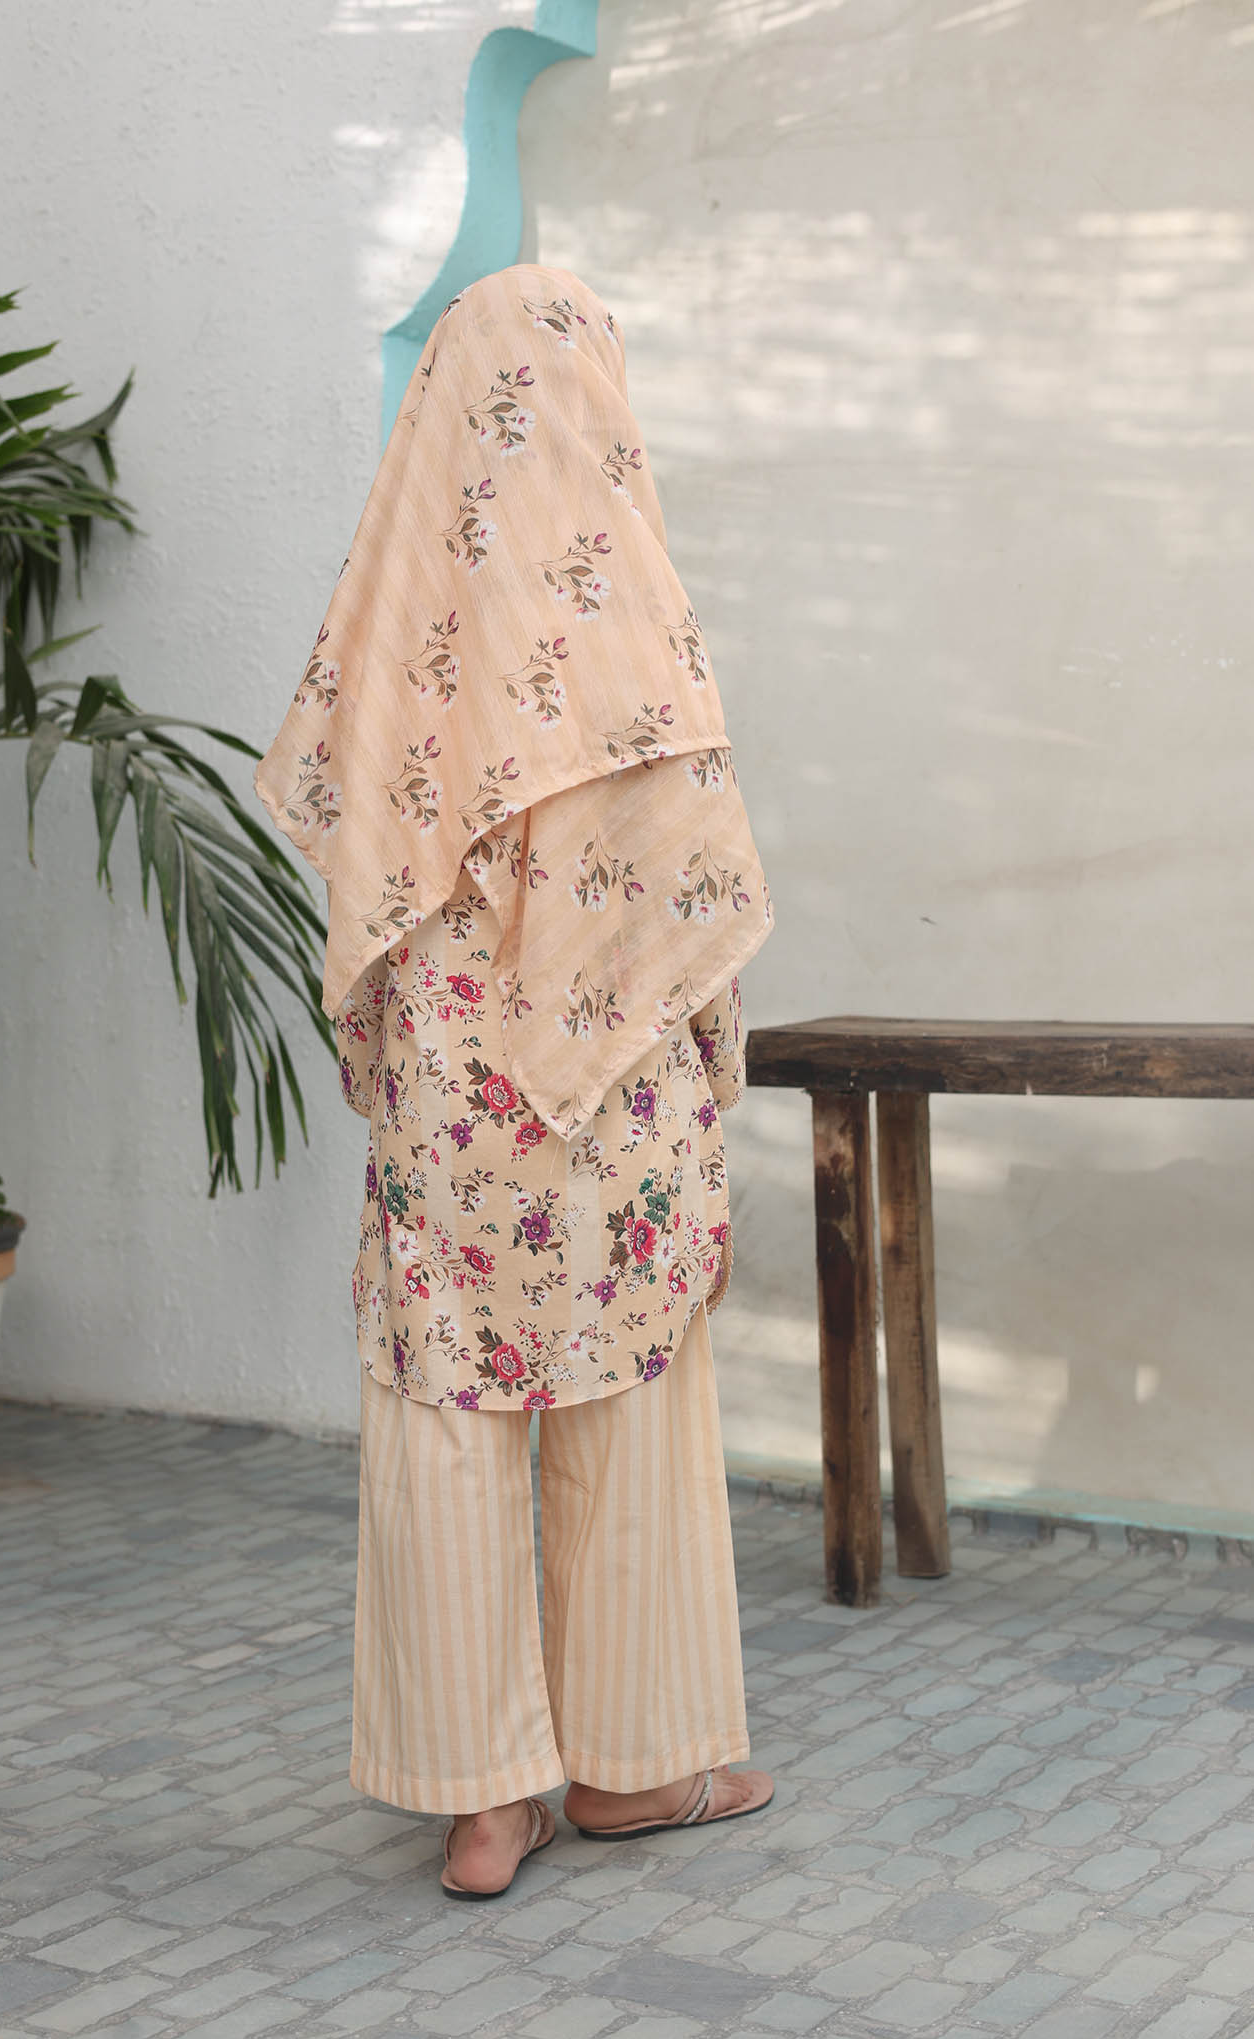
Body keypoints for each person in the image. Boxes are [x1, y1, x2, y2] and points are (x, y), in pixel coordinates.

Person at [254, 261, 776, 1899]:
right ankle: (631, 1772)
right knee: (628, 1394)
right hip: (608, 1074)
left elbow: (349, 831)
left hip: (451, 1082)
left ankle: (485, 1803)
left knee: (451, 1397)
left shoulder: (399, 596)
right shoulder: (626, 596)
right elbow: (690, 876)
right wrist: (707, 1051)